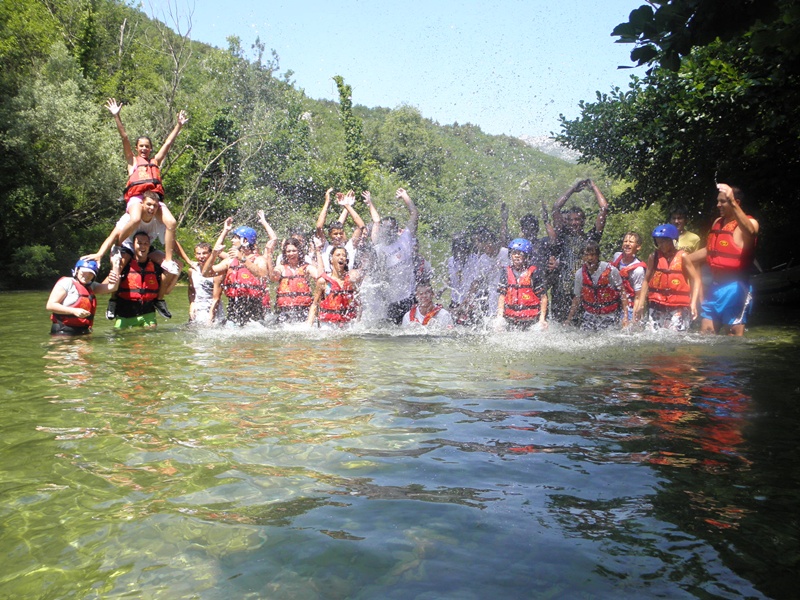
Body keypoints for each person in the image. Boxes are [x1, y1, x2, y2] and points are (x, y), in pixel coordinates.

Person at [105, 98, 187, 269]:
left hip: (153, 199)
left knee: (171, 223)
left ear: (150, 148)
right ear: (137, 148)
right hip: (137, 198)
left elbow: (168, 143)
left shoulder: (155, 161)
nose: (144, 149)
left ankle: (168, 260)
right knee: (135, 219)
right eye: (141, 146)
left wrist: (179, 126)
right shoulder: (132, 161)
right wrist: (116, 116)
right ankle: (118, 246)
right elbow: (124, 137)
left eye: (147, 146)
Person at [83, 191, 188, 320]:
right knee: (118, 265)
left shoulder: (159, 222)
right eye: (149, 204)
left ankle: (159, 300)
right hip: (126, 246)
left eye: (155, 206)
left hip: (146, 247)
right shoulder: (129, 218)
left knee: (173, 266)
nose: (151, 208)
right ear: (142, 204)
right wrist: (100, 254)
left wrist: (188, 260)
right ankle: (113, 300)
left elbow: (172, 242)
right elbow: (113, 236)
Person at [689, 183, 759, 336]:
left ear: (736, 202)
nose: (718, 205)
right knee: (706, 334)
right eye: (718, 201)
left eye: (722, 201)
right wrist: (684, 259)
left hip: (736, 287)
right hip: (715, 286)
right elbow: (711, 250)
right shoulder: (718, 222)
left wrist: (732, 201)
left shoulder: (751, 223)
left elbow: (751, 232)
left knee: (733, 337)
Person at [550, 179, 609, 322]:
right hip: (561, 291)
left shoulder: (591, 239)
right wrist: (572, 189)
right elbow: (556, 208)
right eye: (571, 220)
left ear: (583, 221)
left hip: (584, 292)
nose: (574, 223)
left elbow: (604, 208)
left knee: (581, 327)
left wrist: (593, 186)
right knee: (558, 326)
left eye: (577, 220)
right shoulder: (562, 236)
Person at [203, 217, 271, 326]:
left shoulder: (259, 259)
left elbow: (262, 275)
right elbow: (206, 273)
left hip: (254, 307)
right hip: (234, 306)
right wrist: (213, 255)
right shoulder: (230, 260)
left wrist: (243, 259)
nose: (232, 241)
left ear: (245, 241)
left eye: (235, 238)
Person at [635, 224, 702, 332]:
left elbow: (696, 279)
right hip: (657, 304)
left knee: (676, 336)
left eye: (663, 242)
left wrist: (693, 303)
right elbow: (646, 280)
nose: (660, 245)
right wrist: (641, 304)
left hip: (678, 305)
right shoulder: (654, 257)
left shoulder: (683, 257)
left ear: (672, 241)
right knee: (653, 335)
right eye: (658, 242)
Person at [371, 188, 420, 324]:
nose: (389, 231)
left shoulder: (405, 239)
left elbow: (415, 214)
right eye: (386, 228)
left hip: (409, 296)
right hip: (390, 301)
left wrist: (405, 196)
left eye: (391, 228)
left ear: (397, 229)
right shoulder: (379, 249)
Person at [114, 231, 173, 329]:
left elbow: (166, 289)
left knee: (150, 337)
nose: (143, 246)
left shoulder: (156, 267)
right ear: (133, 245)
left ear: (149, 246)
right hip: (124, 315)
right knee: (120, 338)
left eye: (146, 243)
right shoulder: (124, 266)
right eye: (139, 243)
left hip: (148, 314)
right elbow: (109, 286)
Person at [46, 259, 120, 335]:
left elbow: (113, 287)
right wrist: (74, 311)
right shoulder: (66, 282)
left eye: (90, 273)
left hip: (83, 331)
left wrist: (116, 265)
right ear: (77, 271)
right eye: (83, 272)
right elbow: (50, 305)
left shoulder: (91, 286)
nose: (87, 276)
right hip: (63, 330)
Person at [566, 241, 624, 330]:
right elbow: (577, 298)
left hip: (610, 315)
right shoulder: (579, 274)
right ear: (582, 257)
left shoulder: (611, 271)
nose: (589, 258)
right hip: (590, 316)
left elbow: (623, 292)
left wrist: (625, 317)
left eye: (592, 255)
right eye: (586, 255)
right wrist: (568, 319)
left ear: (597, 256)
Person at [496, 238, 549, 330]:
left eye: (520, 254)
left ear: (527, 256)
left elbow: (543, 297)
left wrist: (542, 319)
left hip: (531, 320)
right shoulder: (506, 272)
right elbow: (502, 296)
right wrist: (499, 316)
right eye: (514, 253)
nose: (516, 256)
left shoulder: (534, 273)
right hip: (510, 319)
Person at [267, 237, 320, 324]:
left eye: (294, 251)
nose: (291, 253)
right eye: (288, 251)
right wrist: (269, 254)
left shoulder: (306, 268)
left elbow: (319, 276)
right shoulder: (281, 268)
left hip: (303, 311)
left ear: (299, 252)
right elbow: (273, 277)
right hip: (284, 312)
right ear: (285, 253)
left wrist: (317, 251)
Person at [307, 246, 363, 328]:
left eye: (344, 255)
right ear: (331, 260)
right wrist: (309, 326)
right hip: (328, 325)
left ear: (346, 261)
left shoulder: (351, 281)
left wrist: (358, 324)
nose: (341, 257)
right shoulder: (323, 281)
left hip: (348, 325)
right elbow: (315, 305)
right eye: (338, 255)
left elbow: (359, 304)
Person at [314, 189, 366, 272]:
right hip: (329, 279)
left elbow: (361, 226)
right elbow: (319, 227)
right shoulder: (326, 247)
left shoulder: (349, 247)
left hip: (346, 278)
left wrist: (347, 205)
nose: (338, 236)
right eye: (335, 234)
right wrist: (327, 202)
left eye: (341, 233)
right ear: (329, 235)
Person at [610, 231, 646, 326]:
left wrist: (634, 319)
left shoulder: (638, 270)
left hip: (630, 305)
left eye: (631, 242)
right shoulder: (617, 256)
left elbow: (638, 297)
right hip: (615, 302)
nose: (627, 244)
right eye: (625, 241)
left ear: (638, 247)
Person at [188, 242, 224, 325]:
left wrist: (211, 316)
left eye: (204, 253)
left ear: (211, 254)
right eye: (198, 253)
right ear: (195, 255)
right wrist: (192, 305)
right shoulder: (192, 271)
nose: (201, 256)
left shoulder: (217, 272)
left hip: (213, 310)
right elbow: (191, 290)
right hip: (198, 308)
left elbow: (216, 298)